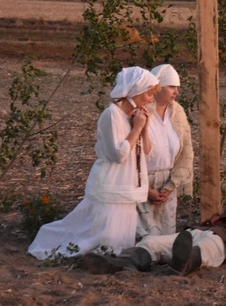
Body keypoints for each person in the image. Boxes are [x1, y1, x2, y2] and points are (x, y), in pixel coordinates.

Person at [28, 67, 159, 259]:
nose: (150, 99)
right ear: (135, 91)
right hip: (112, 182)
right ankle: (52, 241)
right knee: (96, 233)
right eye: (148, 94)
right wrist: (136, 128)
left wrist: (143, 128)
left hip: (128, 184)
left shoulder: (134, 117)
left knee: (119, 240)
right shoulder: (111, 115)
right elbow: (118, 155)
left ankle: (113, 262)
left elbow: (146, 152)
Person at [84, 199, 226, 275]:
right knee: (152, 241)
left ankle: (183, 264)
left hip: (220, 242)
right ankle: (123, 264)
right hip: (194, 235)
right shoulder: (214, 223)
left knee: (206, 248)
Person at [136, 64, 194, 238]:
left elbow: (186, 151)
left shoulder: (177, 113)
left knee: (166, 240)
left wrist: (170, 186)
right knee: (144, 240)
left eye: (177, 87)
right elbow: (132, 154)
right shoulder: (141, 112)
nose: (176, 92)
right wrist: (146, 190)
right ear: (157, 87)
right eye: (171, 86)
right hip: (143, 182)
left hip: (167, 184)